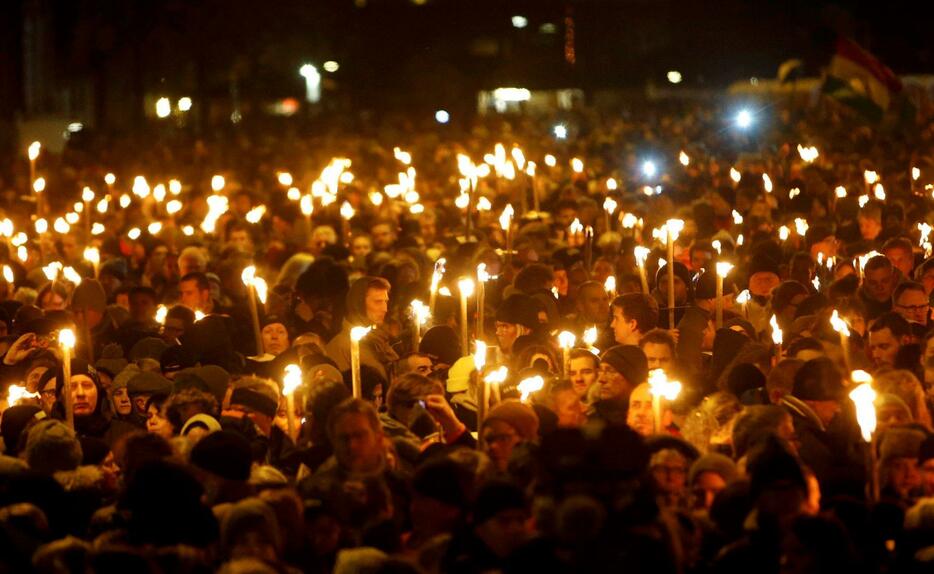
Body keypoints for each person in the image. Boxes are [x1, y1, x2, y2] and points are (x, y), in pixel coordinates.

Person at [325, 276, 398, 380]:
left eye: (385, 301)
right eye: (378, 302)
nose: (385, 309)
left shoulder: (381, 340)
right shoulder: (341, 346)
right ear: (359, 304)